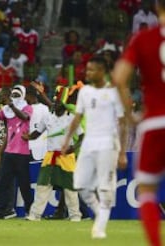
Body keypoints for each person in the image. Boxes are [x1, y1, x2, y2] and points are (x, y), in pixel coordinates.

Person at [113, 1, 165, 245]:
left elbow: (119, 78)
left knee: (146, 191)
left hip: (154, 122)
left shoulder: (142, 39)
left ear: (157, 7)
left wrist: (131, 113)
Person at [62, 56, 127, 239]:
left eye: (92, 70)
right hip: (89, 143)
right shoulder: (85, 92)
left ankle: (100, 227)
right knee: (80, 184)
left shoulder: (114, 93)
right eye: (87, 69)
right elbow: (77, 118)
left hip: (108, 143)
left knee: (105, 187)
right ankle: (100, 213)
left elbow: (123, 123)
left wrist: (122, 152)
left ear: (102, 71)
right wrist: (67, 139)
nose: (88, 73)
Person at [0, 85, 33, 219]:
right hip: (9, 151)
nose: (14, 98)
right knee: (3, 182)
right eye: (13, 95)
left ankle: (30, 211)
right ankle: (2, 210)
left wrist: (12, 106)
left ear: (23, 95)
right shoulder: (6, 110)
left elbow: (24, 117)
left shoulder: (27, 108)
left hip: (22, 152)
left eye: (17, 95)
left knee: (24, 184)